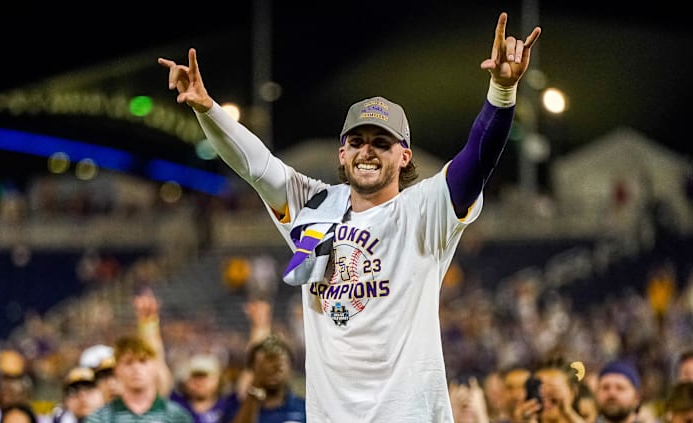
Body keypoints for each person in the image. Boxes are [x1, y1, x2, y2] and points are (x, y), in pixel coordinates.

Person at [158, 11, 540, 422]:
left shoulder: (424, 209)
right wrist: (207, 109)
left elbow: (476, 163)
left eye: (381, 142)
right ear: (342, 153)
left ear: (404, 155)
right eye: (356, 141)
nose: (367, 150)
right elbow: (256, 165)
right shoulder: (316, 205)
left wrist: (501, 91)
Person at [84, 335, 192, 422]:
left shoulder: (177, 416)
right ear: (117, 369)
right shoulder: (100, 418)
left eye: (142, 361)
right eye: (128, 362)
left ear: (155, 367)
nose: (136, 368)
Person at [230, 335, 306, 423]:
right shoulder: (234, 408)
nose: (271, 371)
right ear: (252, 369)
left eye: (279, 364)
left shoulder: (305, 409)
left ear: (290, 368)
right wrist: (254, 392)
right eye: (264, 364)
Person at [170, 353, 240, 423]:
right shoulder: (174, 405)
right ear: (185, 381)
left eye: (204, 377)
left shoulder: (229, 406)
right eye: (194, 377)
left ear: (217, 380)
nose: (199, 383)